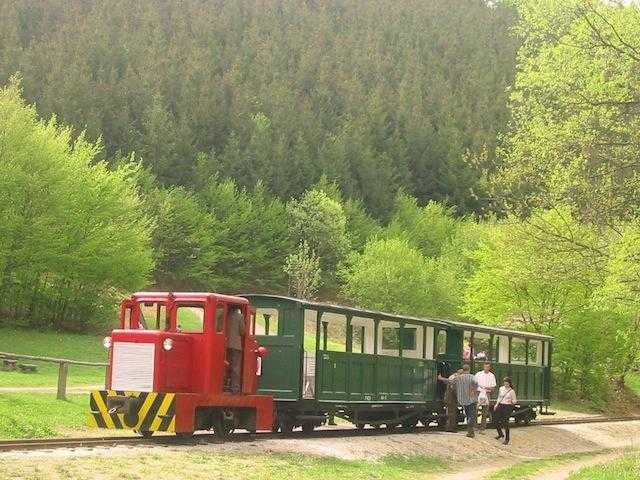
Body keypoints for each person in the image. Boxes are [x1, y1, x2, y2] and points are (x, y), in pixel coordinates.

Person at [439, 364, 478, 437]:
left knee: (468, 415)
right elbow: (477, 385)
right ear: (469, 369)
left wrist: (441, 378)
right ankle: (470, 431)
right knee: (471, 415)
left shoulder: (459, 378)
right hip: (472, 399)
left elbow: (450, 382)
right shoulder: (473, 377)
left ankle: (470, 432)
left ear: (463, 370)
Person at [227, 306, 245, 394]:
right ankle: (235, 388)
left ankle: (225, 385)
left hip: (224, 344)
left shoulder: (223, 316)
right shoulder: (240, 316)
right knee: (235, 367)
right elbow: (242, 331)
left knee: (225, 365)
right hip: (235, 345)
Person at [494, 377, 517, 445]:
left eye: (507, 384)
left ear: (509, 384)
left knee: (505, 423)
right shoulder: (501, 388)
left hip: (507, 407)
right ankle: (500, 434)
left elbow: (514, 400)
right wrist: (496, 404)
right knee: (495, 420)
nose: (506, 385)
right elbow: (499, 397)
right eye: (505, 383)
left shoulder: (512, 391)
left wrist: (512, 402)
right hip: (500, 405)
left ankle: (507, 439)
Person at [474, 362, 497, 432]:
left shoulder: (491, 375)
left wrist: (487, 388)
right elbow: (474, 383)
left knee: (485, 411)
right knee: (475, 410)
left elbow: (493, 387)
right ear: (483, 367)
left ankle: (482, 428)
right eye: (485, 367)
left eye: (487, 367)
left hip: (487, 393)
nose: (486, 368)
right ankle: (475, 426)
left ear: (489, 368)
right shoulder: (478, 374)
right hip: (478, 393)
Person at [442, 367, 463, 432]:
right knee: (452, 414)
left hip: (449, 398)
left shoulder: (452, 377)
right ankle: (451, 428)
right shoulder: (456, 379)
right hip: (451, 399)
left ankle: (449, 427)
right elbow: (455, 390)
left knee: (451, 413)